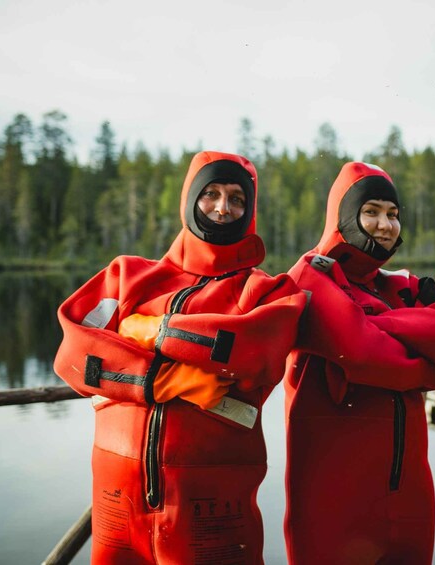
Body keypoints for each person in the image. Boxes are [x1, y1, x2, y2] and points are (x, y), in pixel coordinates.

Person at [53, 151, 306, 564]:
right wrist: (160, 380)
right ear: (189, 198)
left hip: (213, 505)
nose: (223, 208)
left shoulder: (267, 292)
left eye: (237, 199)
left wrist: (145, 328)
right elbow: (74, 354)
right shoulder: (126, 275)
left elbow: (255, 353)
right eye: (211, 193)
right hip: (118, 497)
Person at [282, 162, 435, 564]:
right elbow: (364, 355)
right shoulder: (310, 277)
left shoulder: (401, 284)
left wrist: (373, 319)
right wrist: (423, 367)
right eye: (371, 212)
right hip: (336, 500)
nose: (385, 224)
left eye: (393, 214)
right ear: (344, 216)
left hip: (409, 495)